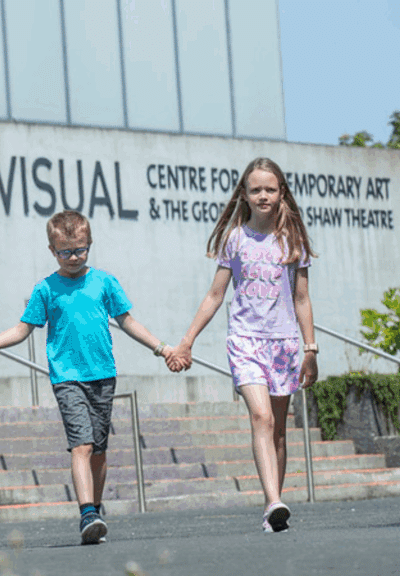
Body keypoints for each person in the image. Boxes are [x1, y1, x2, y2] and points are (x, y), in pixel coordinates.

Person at [0, 210, 182, 545]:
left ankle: (95, 511)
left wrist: (162, 348)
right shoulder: (46, 289)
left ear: (90, 244)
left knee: (99, 450)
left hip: (103, 375)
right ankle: (86, 512)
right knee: (81, 444)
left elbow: (128, 322)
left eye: (80, 250)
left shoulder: (104, 282)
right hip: (67, 378)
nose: (73, 258)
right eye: (65, 252)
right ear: (52, 250)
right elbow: (22, 329)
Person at [170, 157, 318, 533]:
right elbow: (215, 295)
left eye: (270, 189)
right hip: (245, 340)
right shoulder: (235, 238)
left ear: (281, 192)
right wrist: (187, 341)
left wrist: (310, 349)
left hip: (283, 343)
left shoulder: (293, 240)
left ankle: (273, 508)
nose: (263, 196)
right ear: (245, 195)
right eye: (256, 190)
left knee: (279, 430)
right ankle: (273, 502)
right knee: (261, 417)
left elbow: (301, 298)